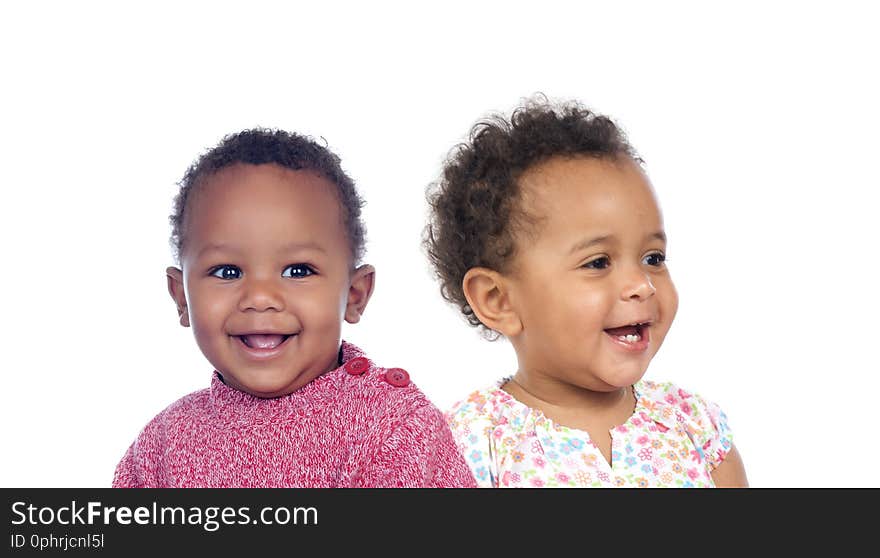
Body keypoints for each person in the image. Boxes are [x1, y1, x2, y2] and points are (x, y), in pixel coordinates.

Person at [113, 128, 476, 488]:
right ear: (181, 297)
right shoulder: (161, 446)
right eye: (227, 272)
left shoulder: (392, 428)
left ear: (354, 294)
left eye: (298, 271)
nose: (260, 297)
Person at [424, 98, 748, 487]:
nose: (641, 285)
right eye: (598, 263)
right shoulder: (465, 446)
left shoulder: (695, 427)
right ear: (498, 300)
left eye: (653, 257)